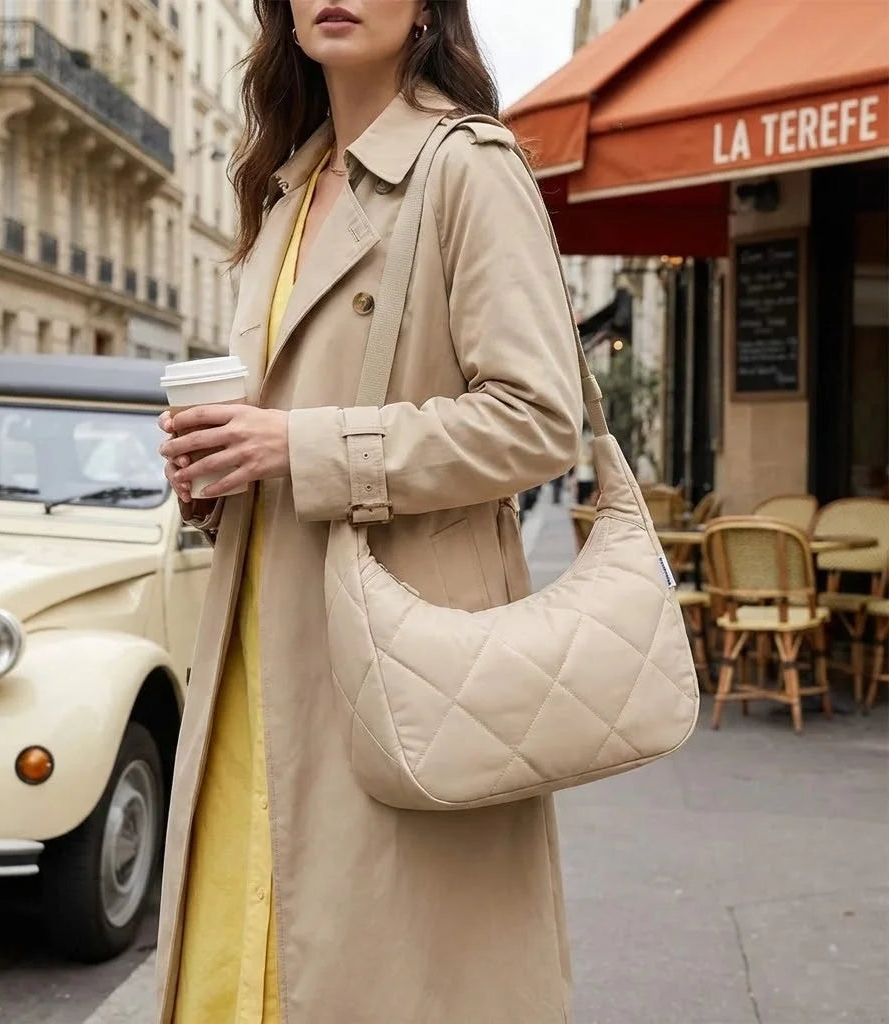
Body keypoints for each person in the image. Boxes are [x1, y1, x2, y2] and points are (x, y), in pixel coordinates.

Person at [156, 2, 581, 1022]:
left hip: (398, 661)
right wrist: (220, 475)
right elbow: (281, 423)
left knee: (376, 977)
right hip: (260, 654)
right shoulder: (286, 187)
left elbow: (537, 421)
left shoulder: (467, 166)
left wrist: (299, 448)